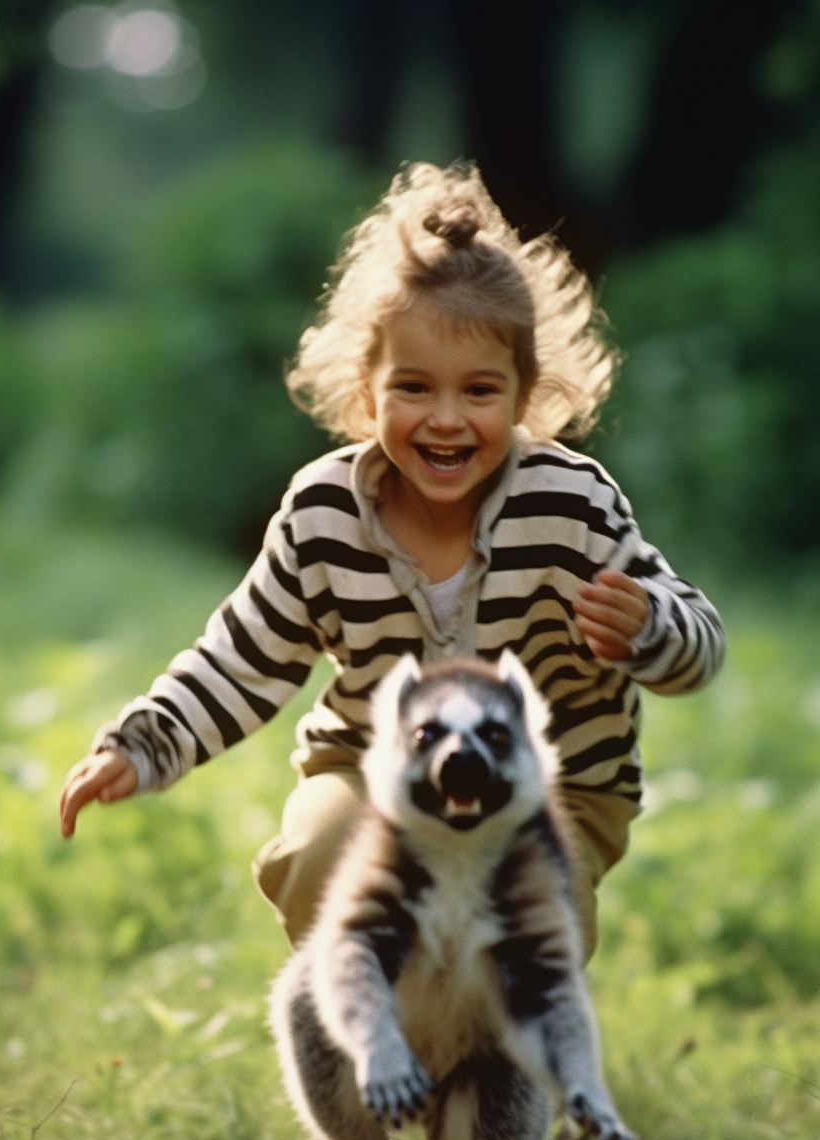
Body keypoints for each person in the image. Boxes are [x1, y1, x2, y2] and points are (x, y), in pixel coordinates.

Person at [59, 162, 725, 962]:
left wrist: (650, 627)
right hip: (377, 764)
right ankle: (378, 1048)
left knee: (519, 918)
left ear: (523, 397)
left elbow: (700, 642)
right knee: (323, 859)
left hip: (549, 784)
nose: (446, 419)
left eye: (479, 391)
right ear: (366, 393)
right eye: (414, 387)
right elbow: (240, 659)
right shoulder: (325, 512)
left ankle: (505, 1065)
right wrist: (144, 743)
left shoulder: (570, 503)